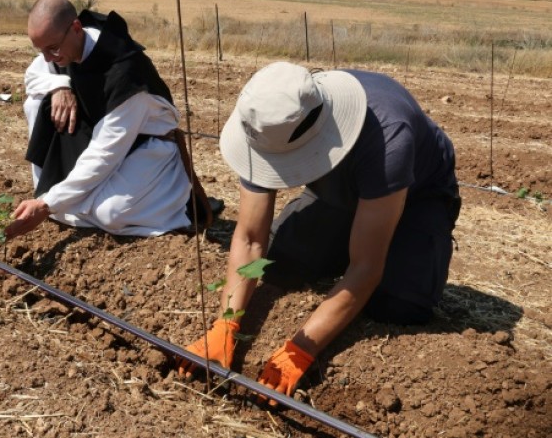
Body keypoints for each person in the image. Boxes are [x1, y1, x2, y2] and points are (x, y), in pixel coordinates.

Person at [178, 62, 461, 403]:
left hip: (418, 197)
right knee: (280, 263)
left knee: (400, 306)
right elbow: (251, 239)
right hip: (338, 191)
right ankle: (347, 234)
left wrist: (301, 349)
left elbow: (365, 267)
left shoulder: (388, 136)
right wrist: (225, 324)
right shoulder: (266, 126)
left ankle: (390, 245)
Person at [5, 0, 208, 239]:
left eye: (52, 49)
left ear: (76, 28)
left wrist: (49, 205)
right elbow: (33, 74)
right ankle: (60, 197)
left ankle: (171, 201)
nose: (48, 58)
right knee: (37, 102)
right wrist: (59, 85)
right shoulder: (62, 45)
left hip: (146, 145)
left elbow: (106, 151)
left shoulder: (125, 72)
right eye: (40, 50)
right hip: (96, 133)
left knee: (111, 214)